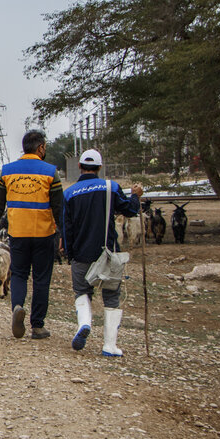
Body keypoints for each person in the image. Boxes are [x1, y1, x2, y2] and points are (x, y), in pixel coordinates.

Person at [62, 149, 143, 356]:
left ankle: (84, 323)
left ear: (79, 167)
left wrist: (70, 254)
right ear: (99, 168)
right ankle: (109, 346)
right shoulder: (110, 187)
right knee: (111, 296)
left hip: (81, 252)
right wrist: (135, 196)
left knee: (82, 292)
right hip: (108, 251)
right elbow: (130, 211)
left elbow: (66, 227)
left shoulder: (69, 193)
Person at [0, 130, 63, 339]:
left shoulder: (7, 171)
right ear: (40, 148)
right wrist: (64, 232)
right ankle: (37, 326)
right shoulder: (50, 172)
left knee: (19, 273)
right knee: (41, 278)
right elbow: (58, 207)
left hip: (18, 232)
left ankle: (17, 307)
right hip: (44, 233)